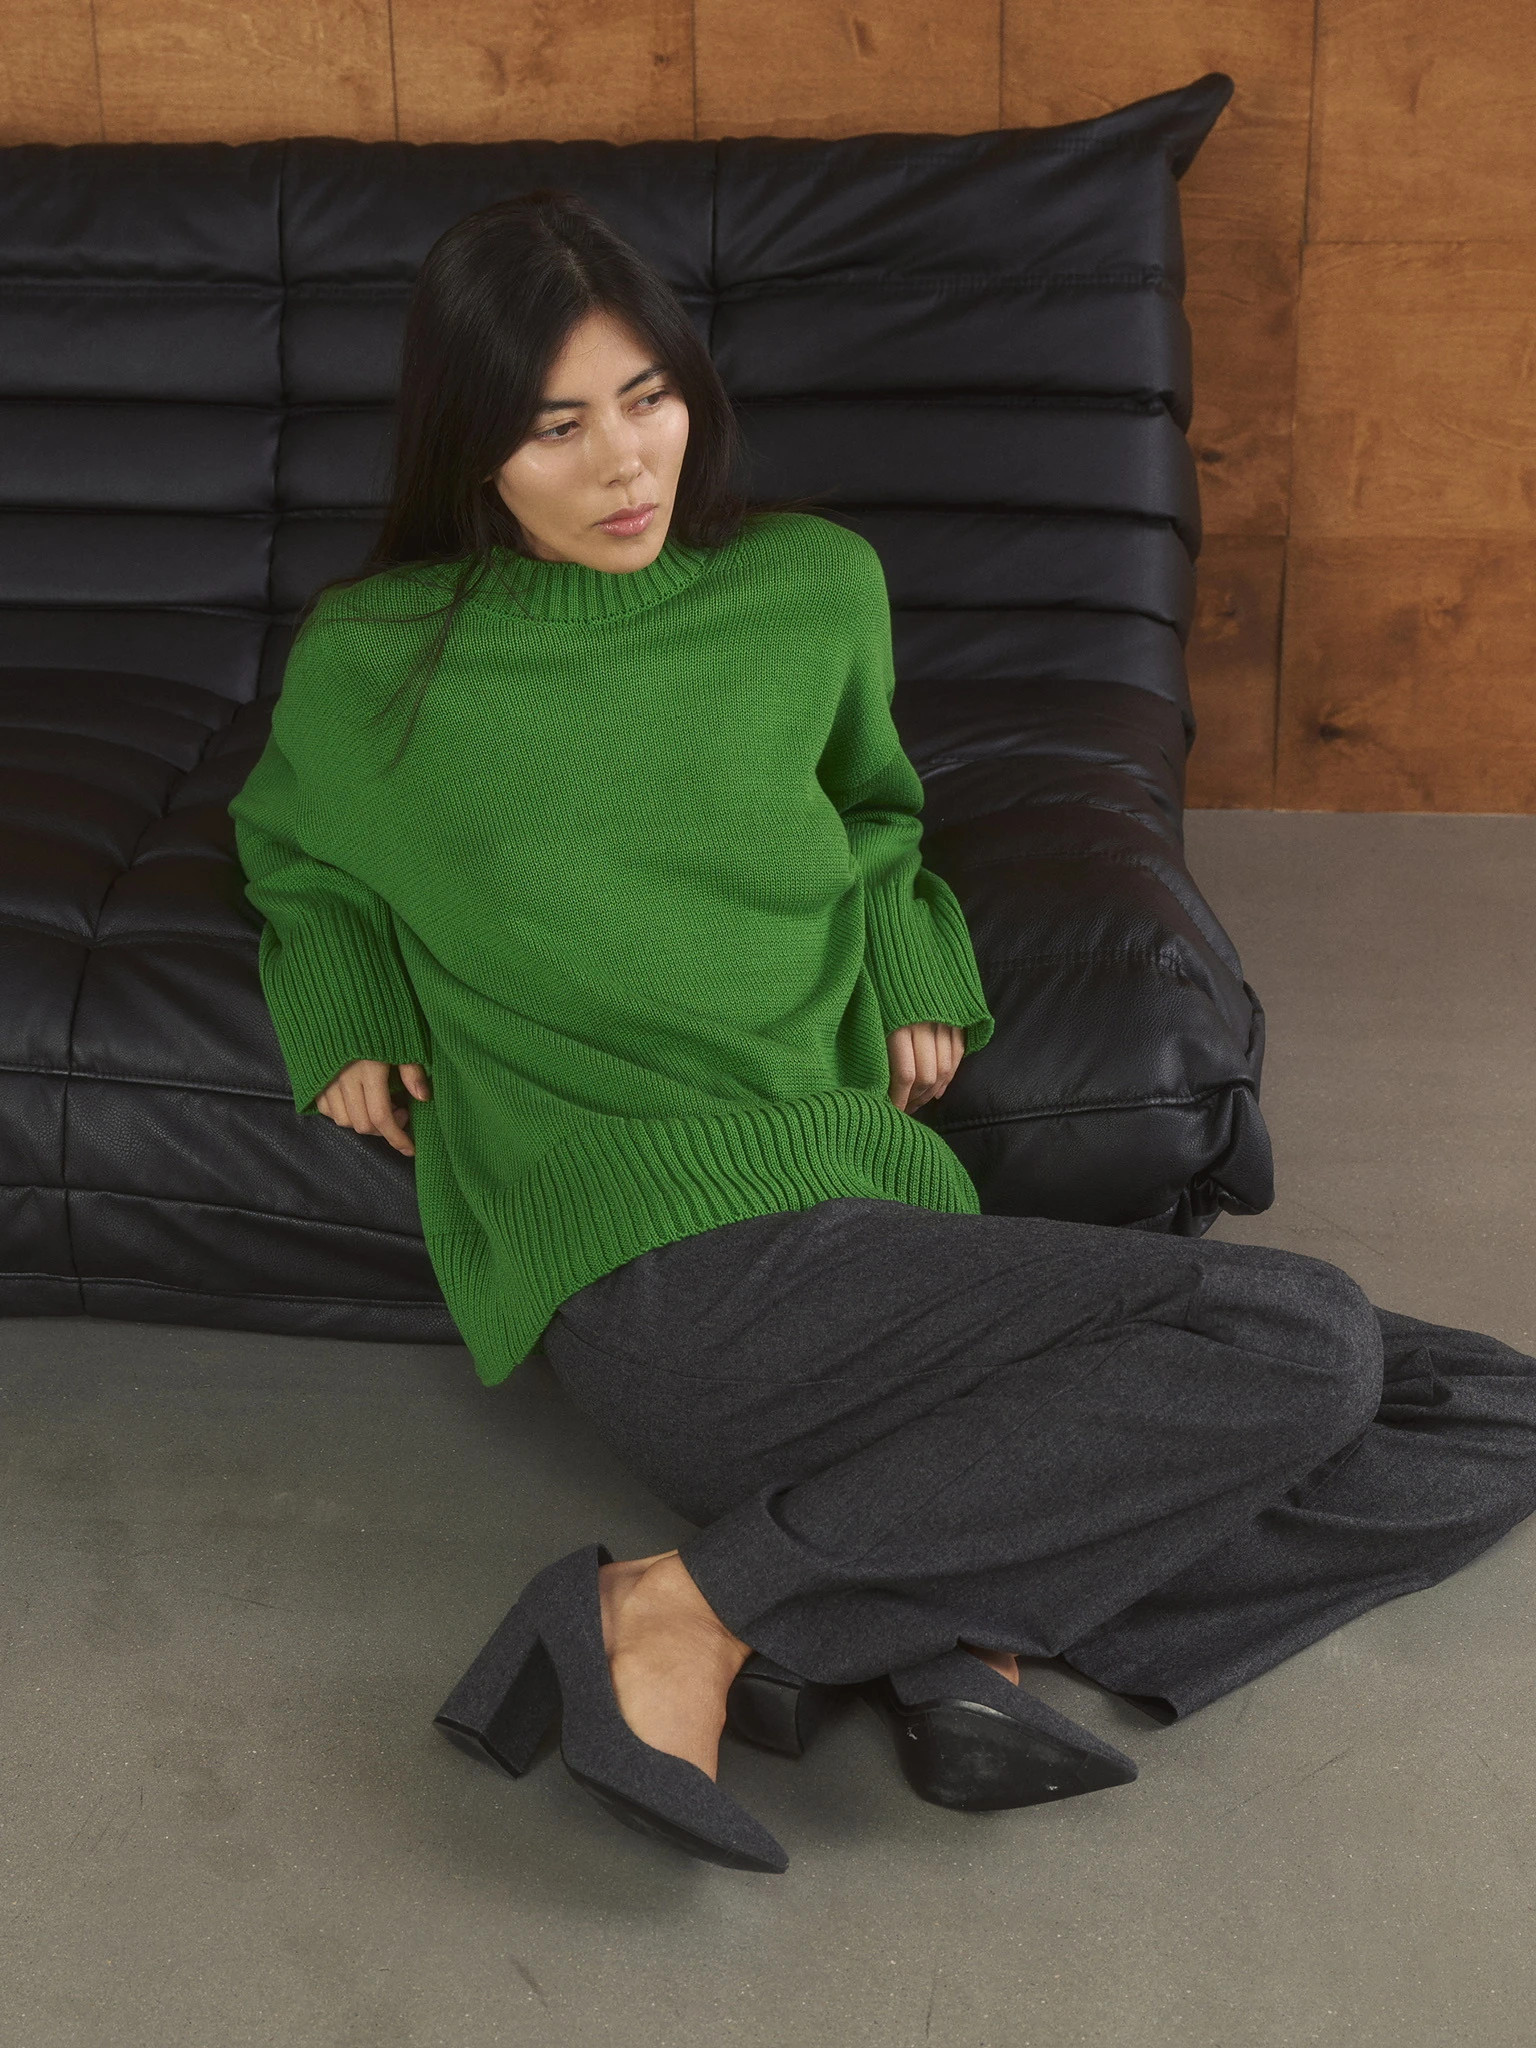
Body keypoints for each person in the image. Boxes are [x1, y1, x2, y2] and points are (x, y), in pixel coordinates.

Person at [229, 191, 1536, 1876]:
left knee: (1492, 1404)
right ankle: (755, 1614)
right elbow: (294, 855)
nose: (625, 463)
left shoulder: (809, 585)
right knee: (1301, 1339)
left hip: (879, 1224)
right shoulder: (382, 659)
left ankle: (808, 1609)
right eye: (556, 427)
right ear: (472, 447)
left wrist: (916, 954)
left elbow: (873, 810)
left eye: (648, 398)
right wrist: (344, 1005)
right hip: (668, 1279)